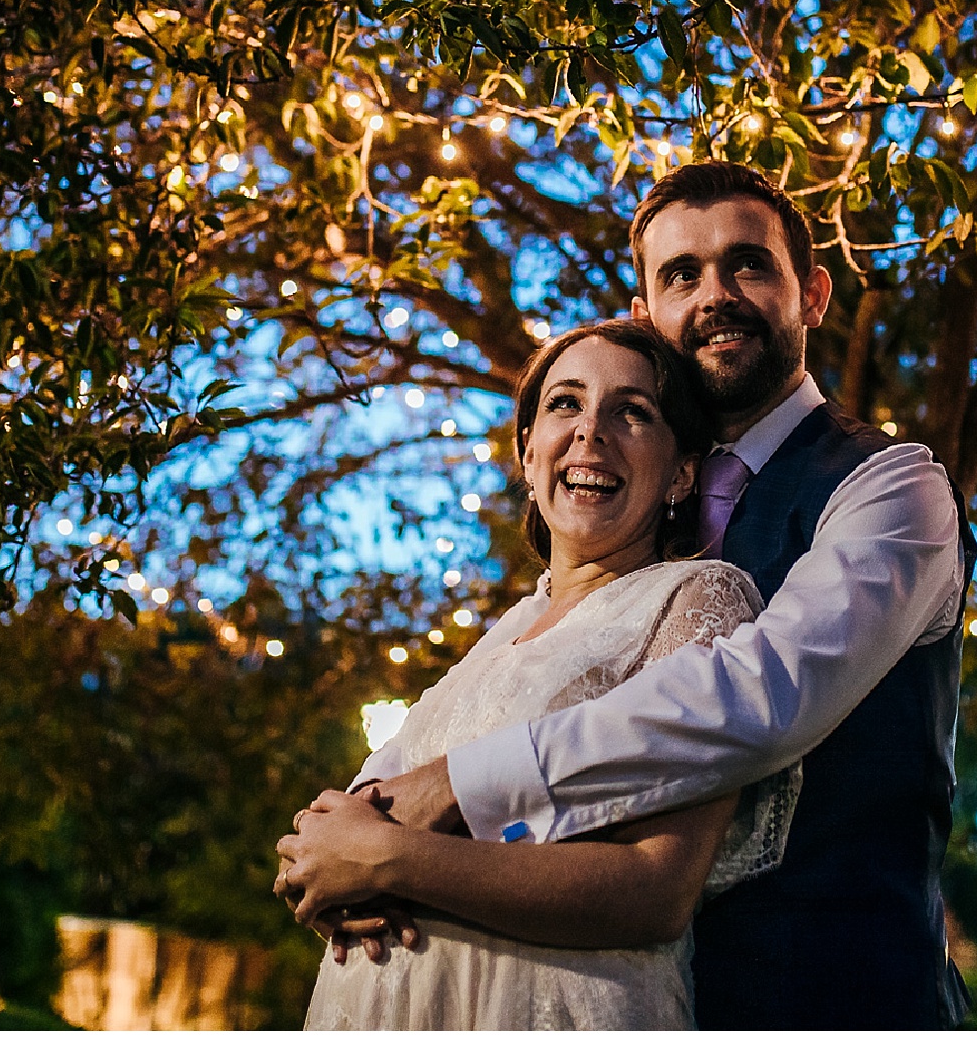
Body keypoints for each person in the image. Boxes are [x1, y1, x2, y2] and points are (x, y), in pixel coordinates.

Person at [290, 160, 973, 1028]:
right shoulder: (612, 546)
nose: (716, 294)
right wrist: (348, 834)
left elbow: (757, 697)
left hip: (839, 996)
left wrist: (457, 790)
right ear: (649, 312)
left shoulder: (889, 488)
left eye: (749, 265)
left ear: (814, 294)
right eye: (683, 275)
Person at [282, 317, 801, 1029]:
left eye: (633, 411)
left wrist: (392, 863)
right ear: (528, 455)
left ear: (682, 470)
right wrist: (314, 860)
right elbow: (370, 811)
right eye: (565, 403)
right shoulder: (498, 639)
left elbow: (654, 892)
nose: (591, 432)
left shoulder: (695, 600)